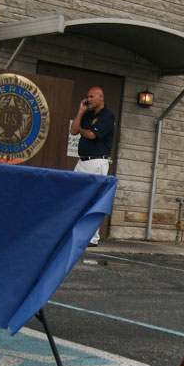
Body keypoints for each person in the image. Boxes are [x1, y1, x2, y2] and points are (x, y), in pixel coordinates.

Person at [70, 86, 115, 246]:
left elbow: (92, 134)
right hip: (82, 160)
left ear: (100, 97)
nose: (88, 99)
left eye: (91, 97)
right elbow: (74, 130)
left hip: (97, 161)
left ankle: (93, 237)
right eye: (87, 97)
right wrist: (81, 111)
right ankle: (77, 233)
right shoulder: (88, 115)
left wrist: (84, 130)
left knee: (93, 199)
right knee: (77, 196)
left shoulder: (107, 116)